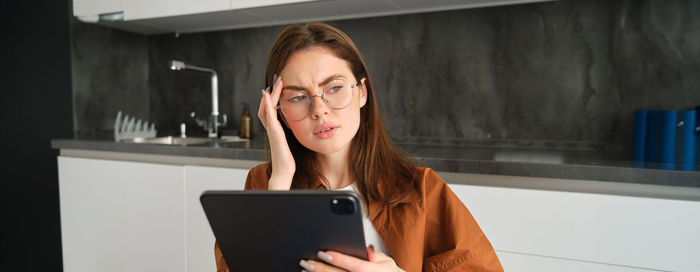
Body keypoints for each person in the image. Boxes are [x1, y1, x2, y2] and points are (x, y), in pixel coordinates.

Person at [214, 22, 503, 272]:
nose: (319, 110)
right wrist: (281, 179)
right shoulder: (263, 183)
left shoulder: (421, 190)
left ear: (362, 92)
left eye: (334, 88)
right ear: (279, 112)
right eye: (298, 97)